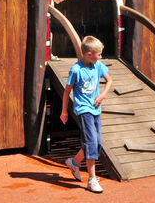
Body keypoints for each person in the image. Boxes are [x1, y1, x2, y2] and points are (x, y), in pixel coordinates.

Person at [60, 35, 114, 194]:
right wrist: (64, 111)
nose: (101, 57)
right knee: (91, 142)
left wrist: (102, 95)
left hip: (96, 108)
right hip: (84, 110)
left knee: (96, 142)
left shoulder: (97, 66)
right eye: (99, 54)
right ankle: (92, 179)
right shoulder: (76, 70)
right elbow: (67, 91)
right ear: (89, 54)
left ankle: (74, 162)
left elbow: (109, 81)